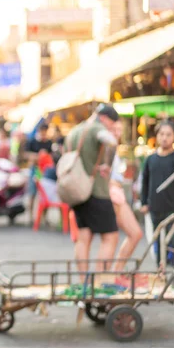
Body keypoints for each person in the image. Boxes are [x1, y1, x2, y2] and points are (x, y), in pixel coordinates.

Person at [67, 104, 119, 274]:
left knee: (83, 238)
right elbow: (111, 141)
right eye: (111, 124)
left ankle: (84, 285)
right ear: (104, 118)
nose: (111, 127)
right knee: (110, 237)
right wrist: (107, 165)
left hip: (77, 191)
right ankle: (99, 282)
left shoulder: (75, 131)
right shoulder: (97, 128)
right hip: (97, 192)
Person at [140, 120, 174, 267]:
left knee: (173, 243)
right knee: (157, 242)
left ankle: (173, 278)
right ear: (157, 135)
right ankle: (160, 273)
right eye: (161, 134)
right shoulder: (150, 159)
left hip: (173, 210)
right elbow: (145, 182)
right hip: (155, 209)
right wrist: (144, 202)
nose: (164, 138)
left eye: (168, 134)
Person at [110, 120, 143, 272]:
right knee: (112, 238)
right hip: (112, 195)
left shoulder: (113, 148)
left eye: (119, 129)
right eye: (114, 129)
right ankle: (112, 274)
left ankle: (116, 271)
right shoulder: (106, 147)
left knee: (132, 234)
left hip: (117, 194)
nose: (117, 133)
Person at [25, 123, 53, 221]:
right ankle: (30, 216)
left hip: (45, 170)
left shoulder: (49, 142)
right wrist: (37, 156)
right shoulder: (32, 141)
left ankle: (44, 217)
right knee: (32, 192)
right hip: (35, 169)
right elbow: (26, 154)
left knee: (46, 193)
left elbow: (50, 156)